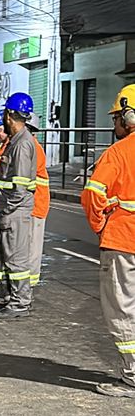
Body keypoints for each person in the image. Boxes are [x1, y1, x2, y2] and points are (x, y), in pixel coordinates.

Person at [81, 86, 135, 397]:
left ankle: (133, 376)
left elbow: (93, 194)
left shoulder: (117, 153)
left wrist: (100, 226)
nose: (114, 123)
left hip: (124, 241)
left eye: (116, 117)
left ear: (129, 117)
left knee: (122, 309)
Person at [0, 92, 37, 317]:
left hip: (14, 212)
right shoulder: (17, 141)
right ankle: (14, 298)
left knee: (16, 259)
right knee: (10, 257)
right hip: (10, 210)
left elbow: (20, 185)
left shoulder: (22, 144)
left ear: (9, 115)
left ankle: (20, 304)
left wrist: (8, 210)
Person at [28, 118, 51, 292]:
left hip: (35, 204)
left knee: (31, 247)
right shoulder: (29, 145)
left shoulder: (31, 147)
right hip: (31, 203)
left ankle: (29, 284)